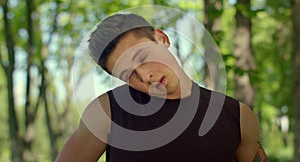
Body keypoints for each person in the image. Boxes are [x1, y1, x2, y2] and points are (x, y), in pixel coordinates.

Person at [55, 13, 268, 162]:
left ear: (161, 38)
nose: (144, 76)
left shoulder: (236, 115)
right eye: (128, 75)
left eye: (143, 57)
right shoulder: (107, 112)